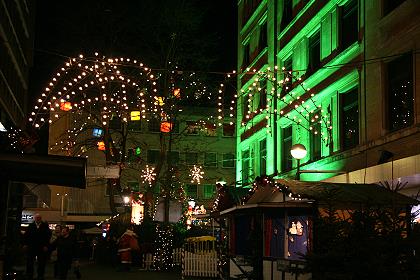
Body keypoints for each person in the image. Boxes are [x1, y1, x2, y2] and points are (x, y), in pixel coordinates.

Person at [23, 213, 52, 280]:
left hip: (41, 247)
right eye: (37, 218)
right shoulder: (31, 226)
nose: (38, 219)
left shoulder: (45, 226)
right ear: (34, 218)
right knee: (30, 262)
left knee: (41, 263)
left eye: (39, 218)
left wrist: (46, 245)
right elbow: (26, 236)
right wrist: (25, 244)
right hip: (31, 247)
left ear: (41, 218)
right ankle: (29, 275)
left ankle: (40, 275)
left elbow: (48, 236)